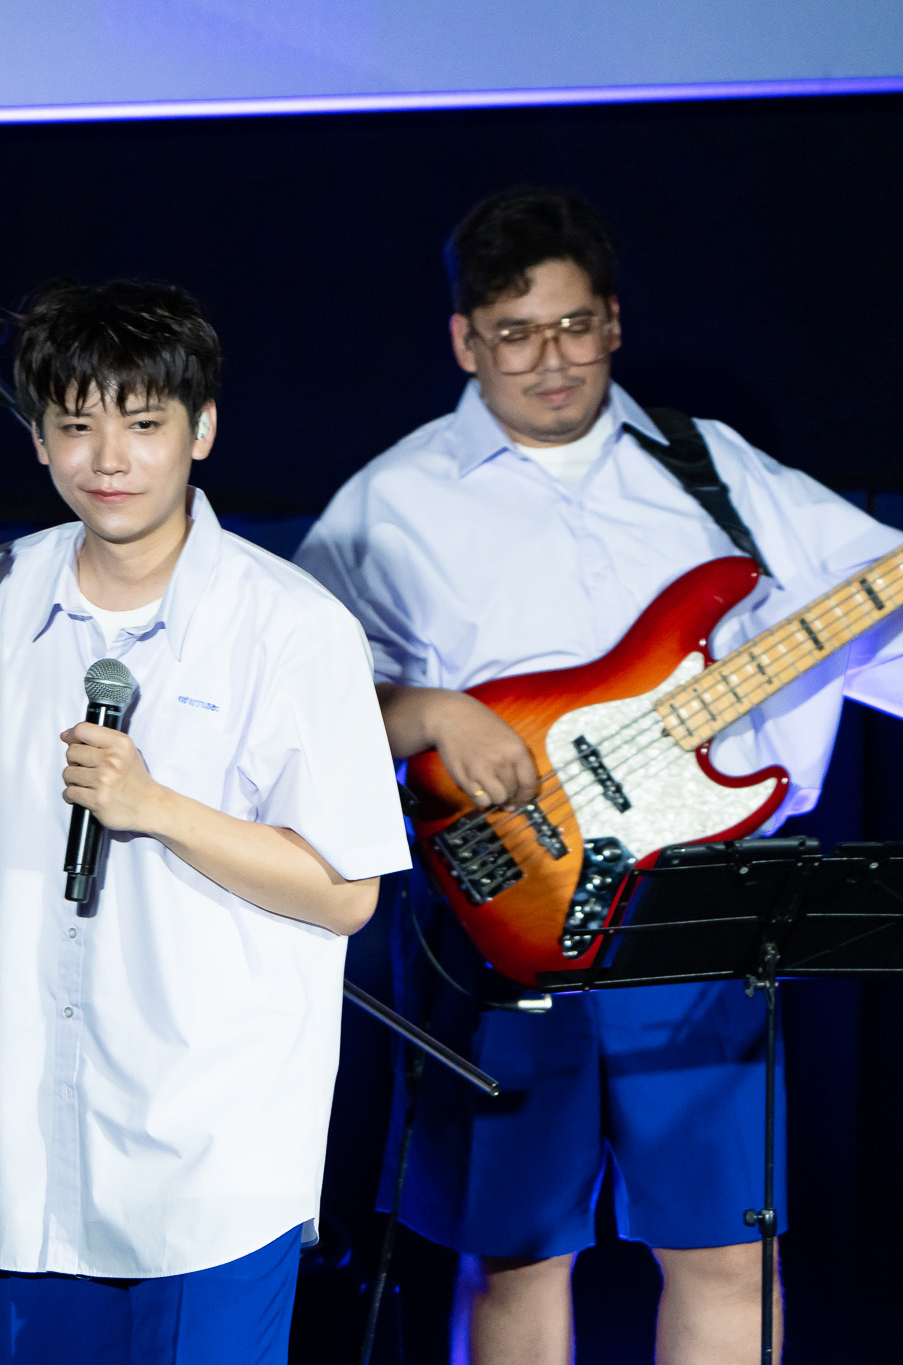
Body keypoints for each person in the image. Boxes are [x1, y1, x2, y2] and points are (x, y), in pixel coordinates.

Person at [293, 187, 903, 1364]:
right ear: (463, 340)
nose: (549, 360)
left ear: (613, 322)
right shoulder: (389, 503)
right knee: (515, 1257)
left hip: (701, 911)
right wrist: (431, 712)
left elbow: (872, 605)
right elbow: (296, 715)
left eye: (573, 326)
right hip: (501, 913)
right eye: (514, 333)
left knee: (726, 1252)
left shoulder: (706, 466)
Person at [0, 280, 410, 1364]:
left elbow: (345, 893)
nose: (108, 459)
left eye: (143, 424)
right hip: (33, 1155)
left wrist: (155, 809)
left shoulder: (290, 626)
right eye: (76, 426)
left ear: (201, 429)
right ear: (40, 440)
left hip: (212, 1156)